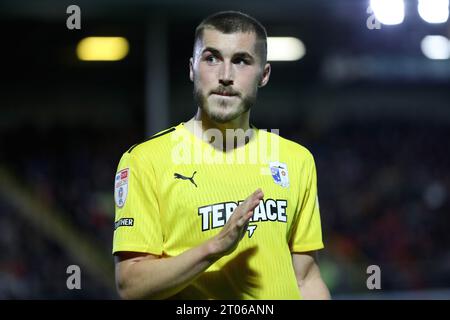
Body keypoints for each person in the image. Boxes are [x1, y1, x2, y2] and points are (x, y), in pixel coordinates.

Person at [112, 10, 330, 300]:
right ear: (192, 69)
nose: (225, 76)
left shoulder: (296, 159)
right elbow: (131, 285)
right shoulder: (145, 161)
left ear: (263, 75)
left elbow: (306, 278)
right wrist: (215, 247)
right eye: (211, 58)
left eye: (241, 61)